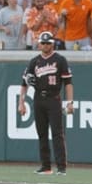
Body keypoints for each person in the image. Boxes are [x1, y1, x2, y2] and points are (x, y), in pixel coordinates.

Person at [18, 31, 74, 175]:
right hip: (38, 99)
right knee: (42, 134)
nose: (45, 45)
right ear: (39, 44)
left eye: (48, 43)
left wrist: (70, 102)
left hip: (54, 98)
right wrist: (21, 102)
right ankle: (46, 166)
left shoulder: (60, 60)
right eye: (43, 43)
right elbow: (24, 83)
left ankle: (61, 167)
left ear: (52, 44)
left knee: (57, 134)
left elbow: (68, 82)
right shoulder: (34, 61)